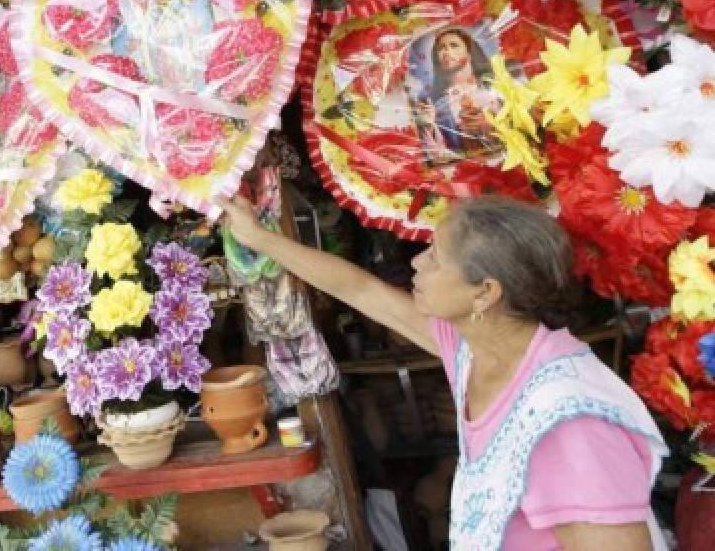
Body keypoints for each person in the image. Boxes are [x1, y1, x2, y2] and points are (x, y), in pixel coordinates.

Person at [219, 194, 666, 551]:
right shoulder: (474, 348)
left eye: (434, 257)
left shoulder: (567, 420)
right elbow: (358, 288)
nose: (416, 263)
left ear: (485, 293)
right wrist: (258, 238)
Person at [412, 28, 500, 160]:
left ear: (469, 52)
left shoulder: (497, 88)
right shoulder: (434, 105)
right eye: (441, 48)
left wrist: (493, 123)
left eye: (454, 45)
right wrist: (429, 127)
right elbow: (436, 158)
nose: (446, 52)